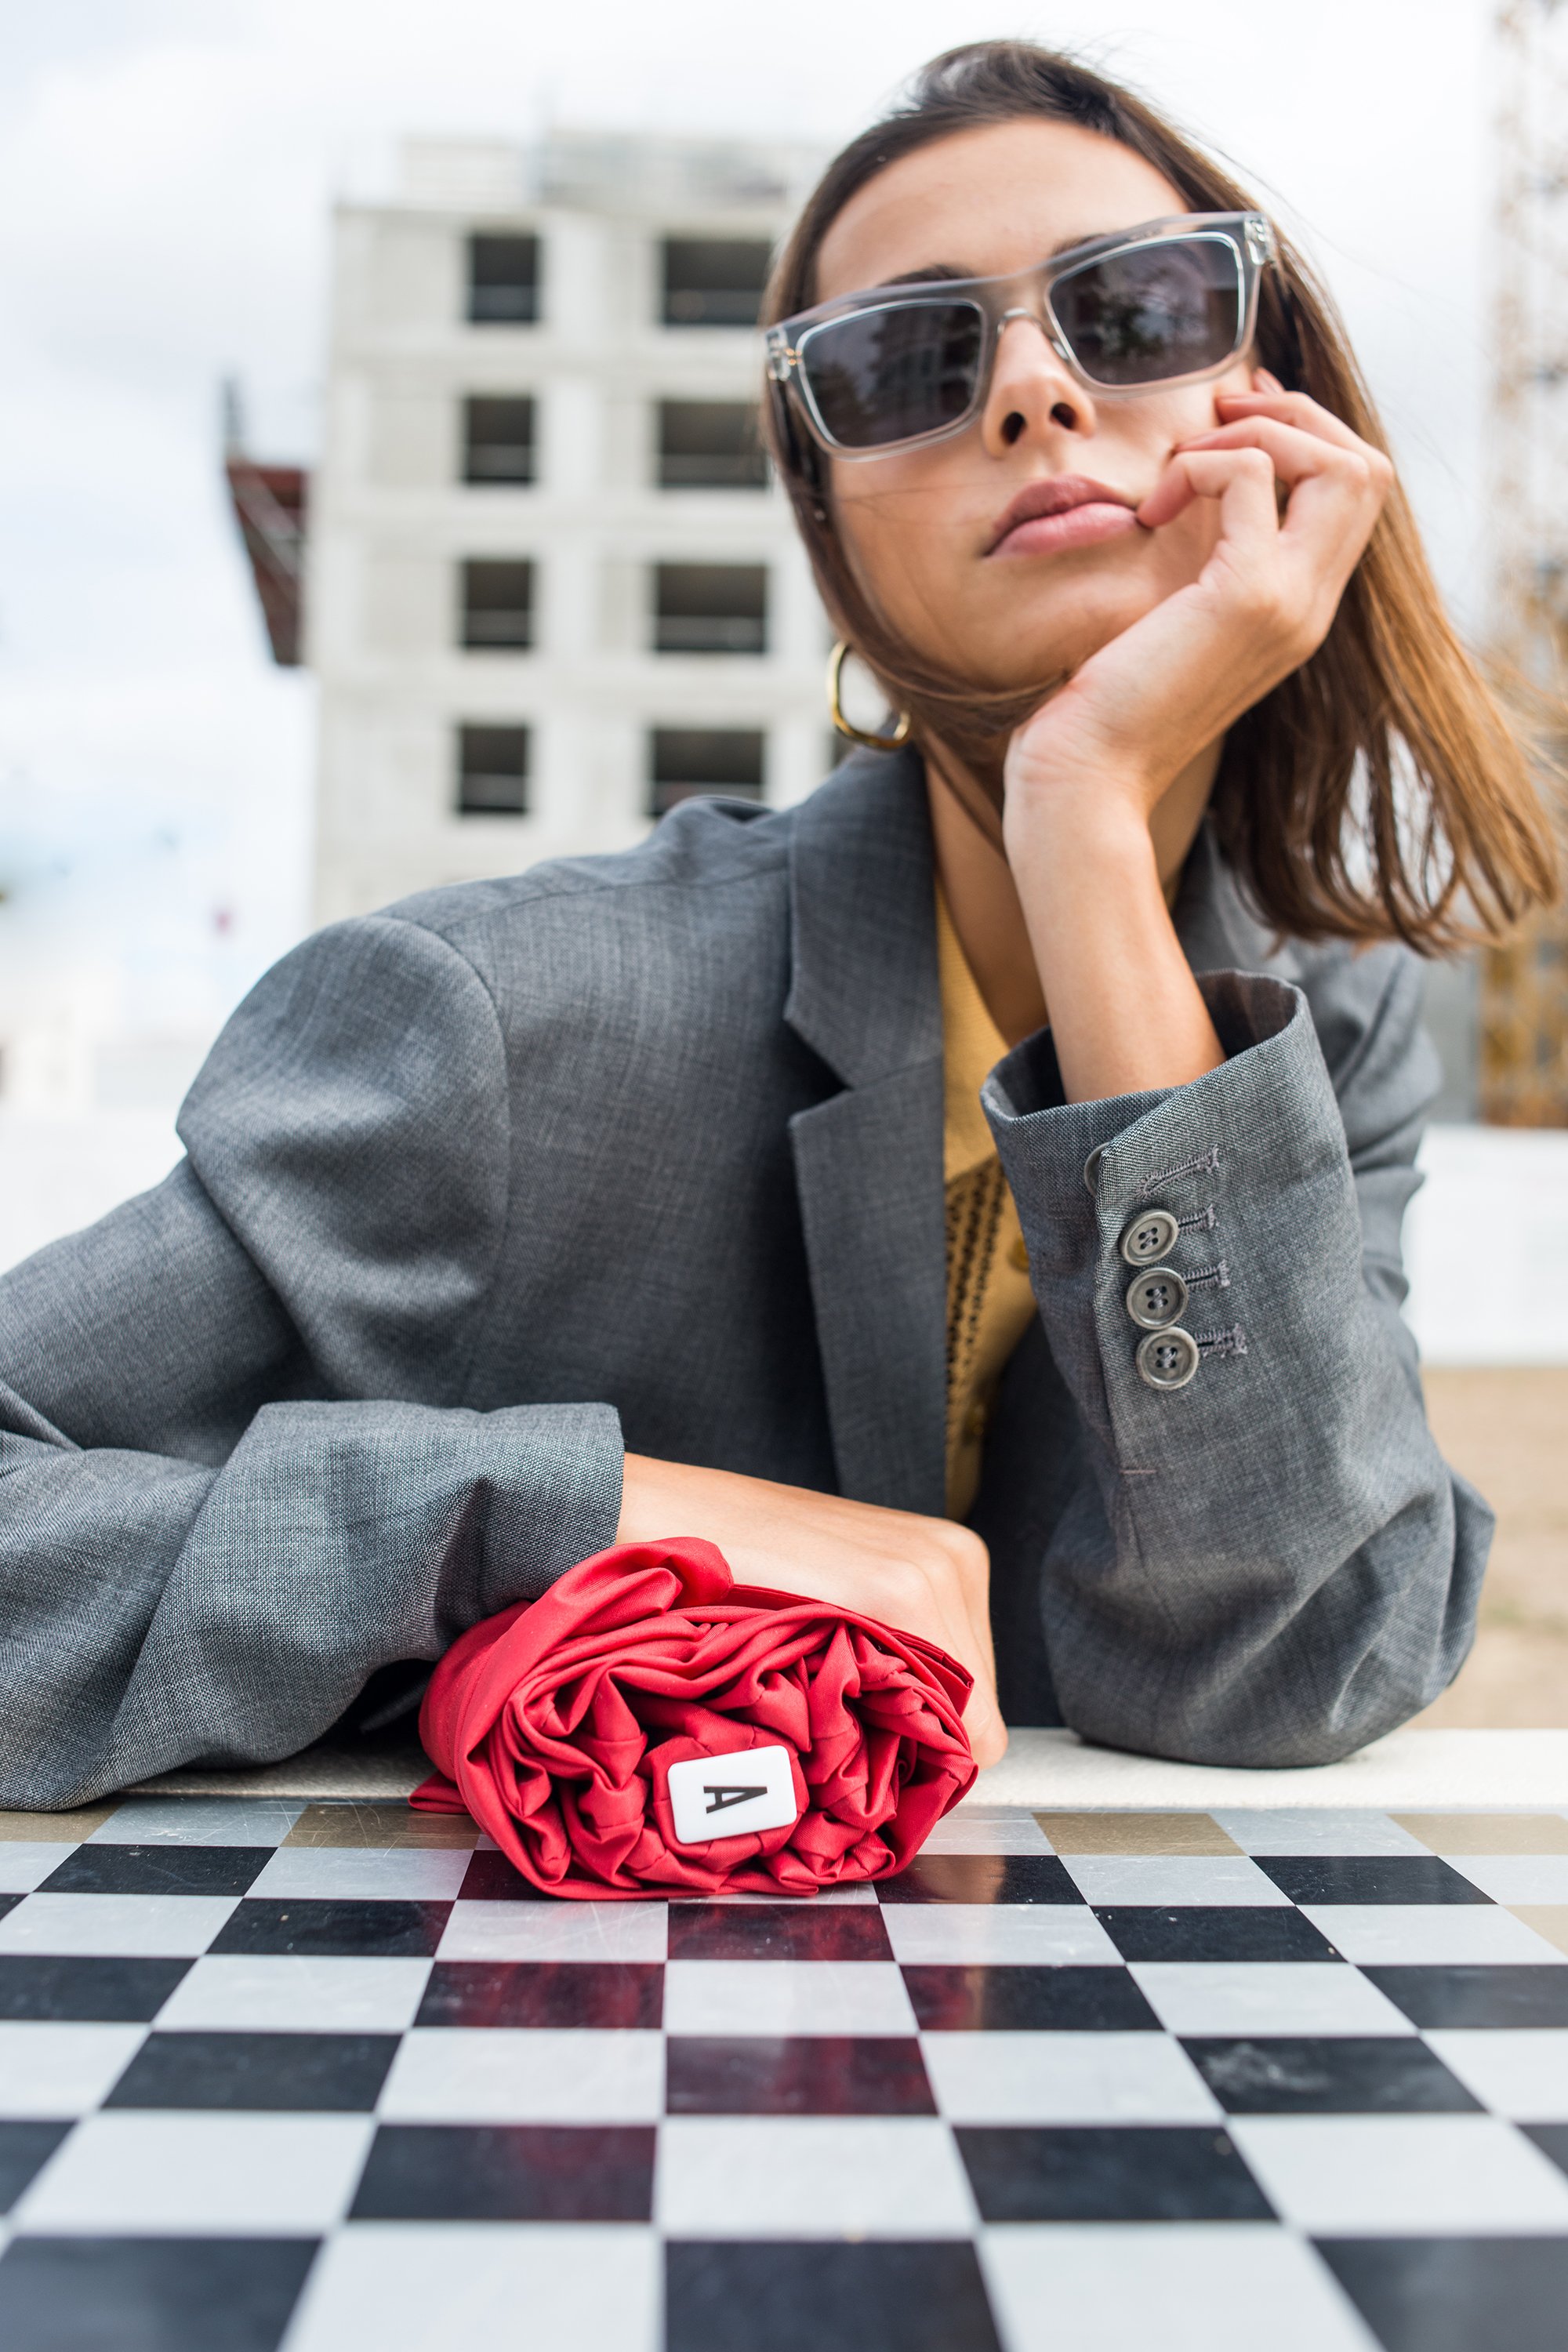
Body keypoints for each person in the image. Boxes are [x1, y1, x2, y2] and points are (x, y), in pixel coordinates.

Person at [0, 42, 1555, 1810]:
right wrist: (577, 1517)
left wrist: (1082, 807)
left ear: (1275, 402)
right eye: (906, 360)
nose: (1035, 392)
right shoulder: (510, 1017)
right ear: (832, 530)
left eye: (1135, 304)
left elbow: (1284, 1661)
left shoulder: (1319, 1025)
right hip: (516, 2033)